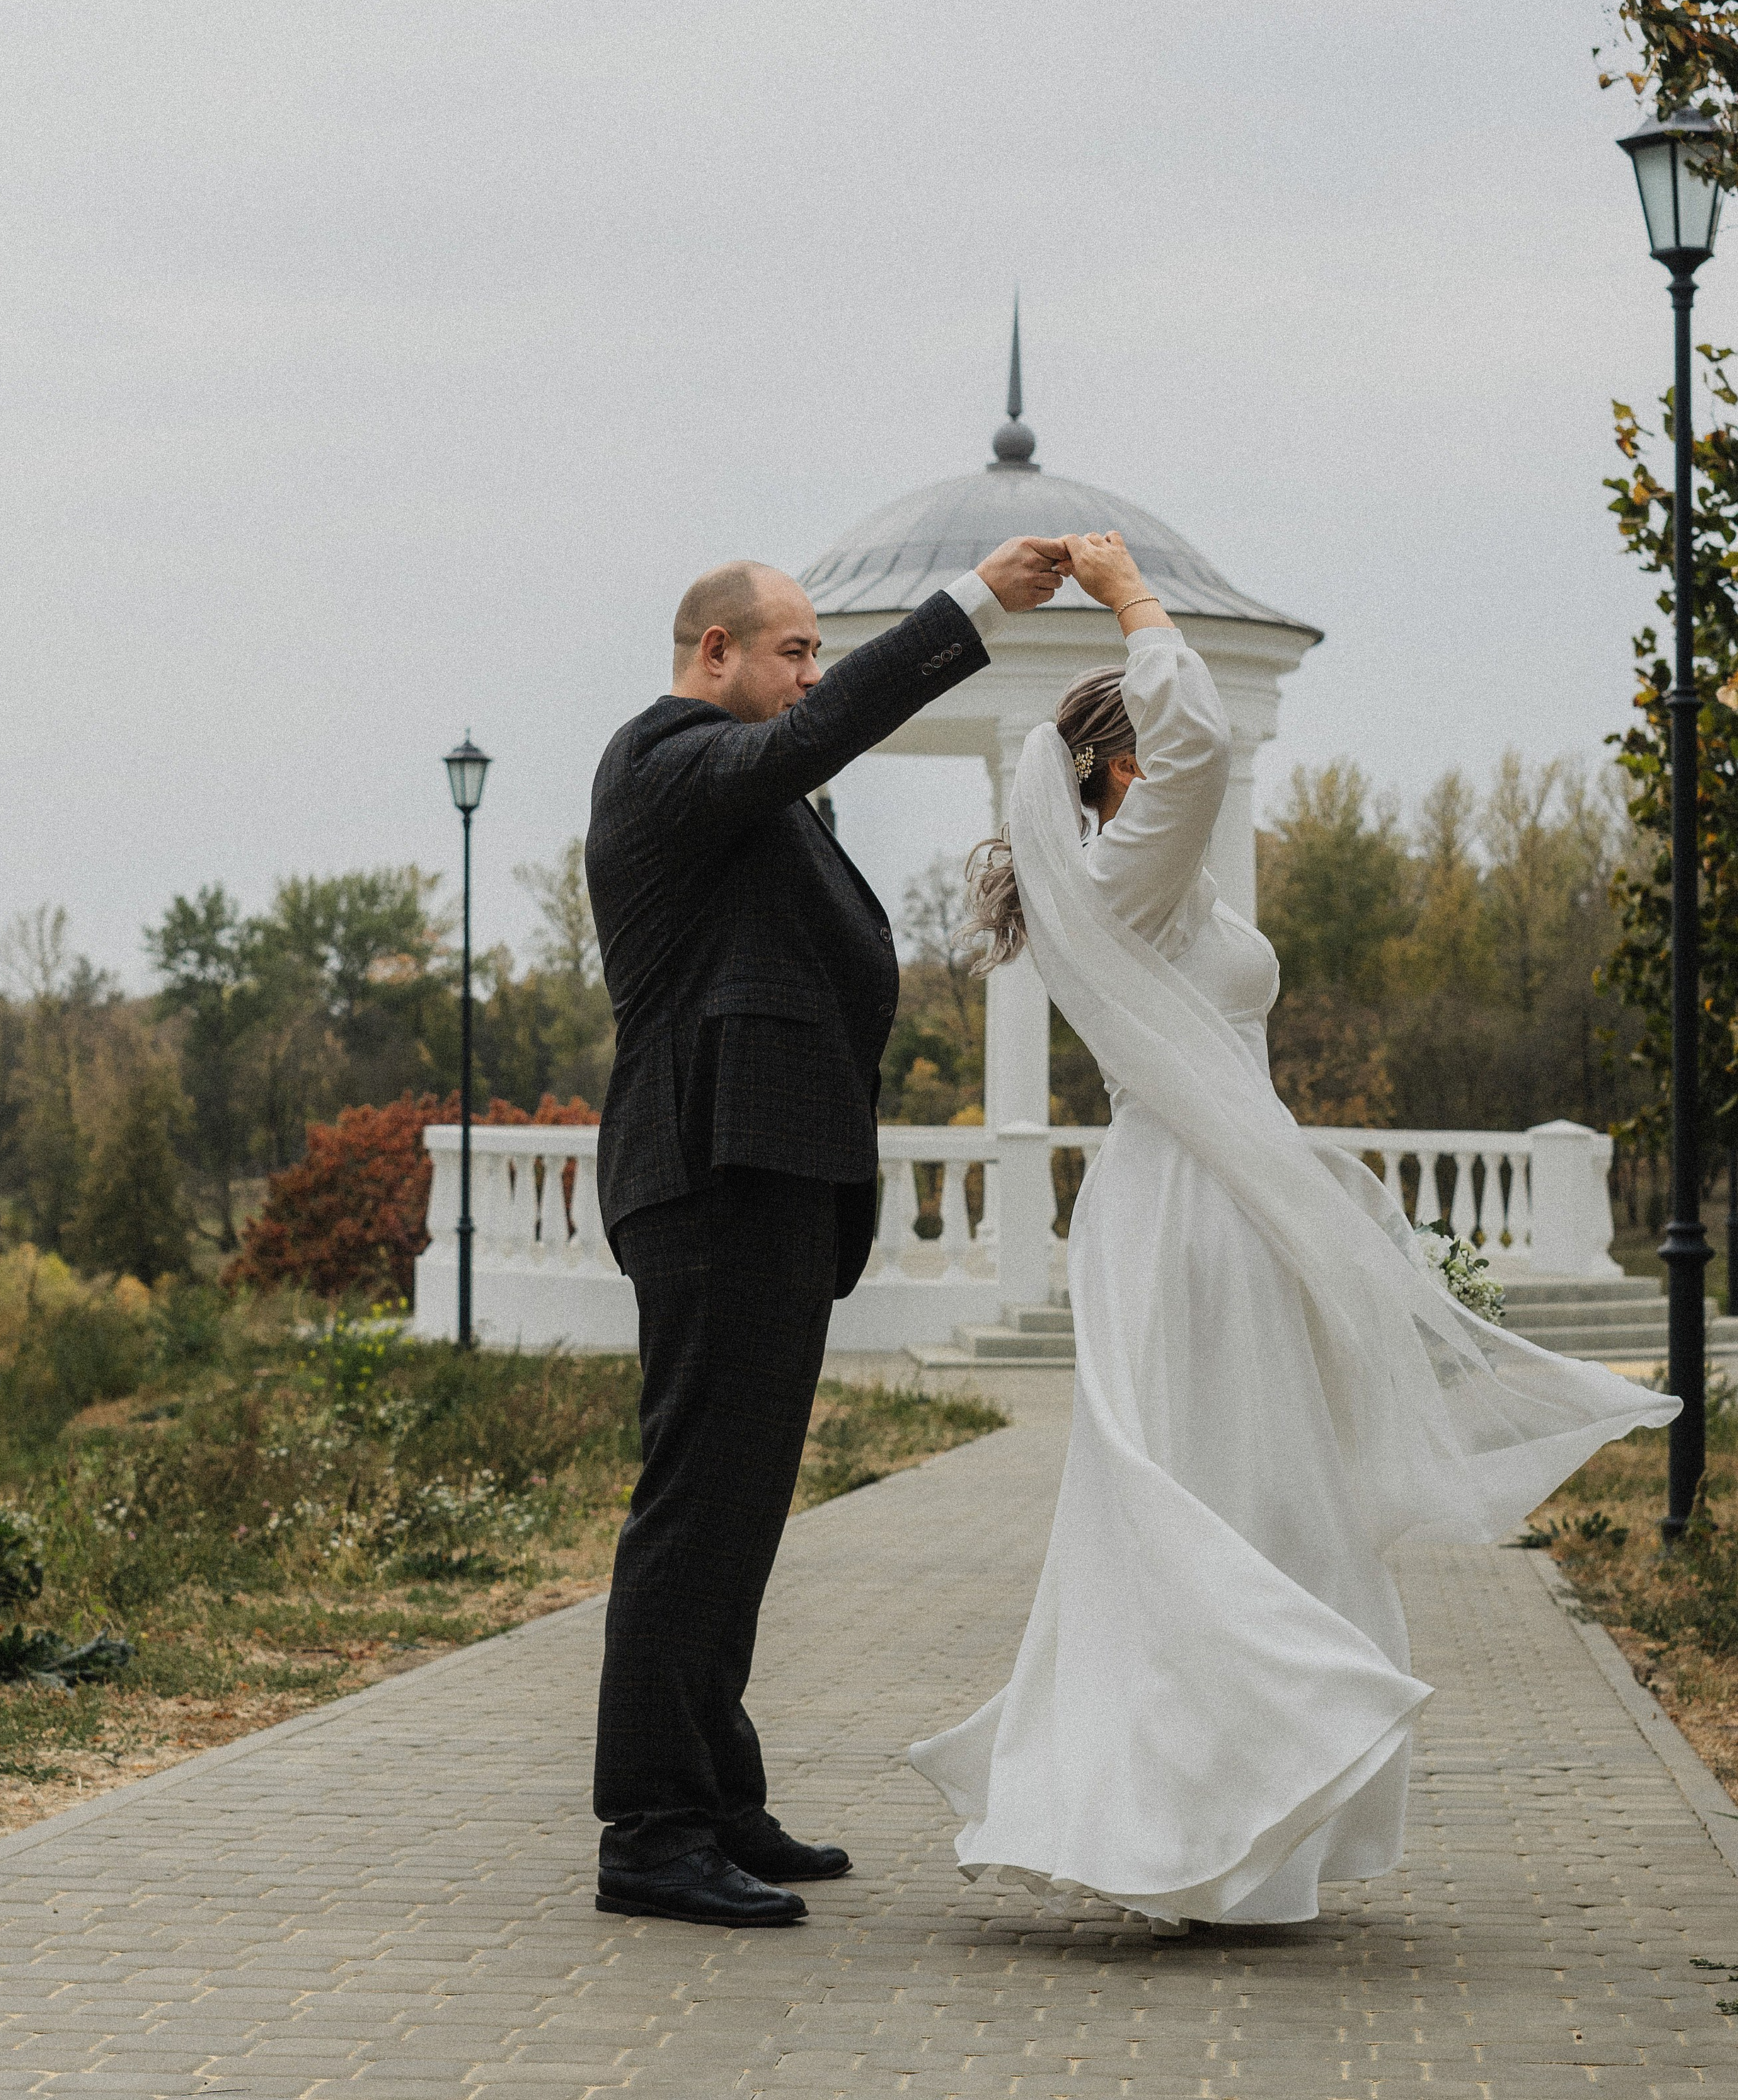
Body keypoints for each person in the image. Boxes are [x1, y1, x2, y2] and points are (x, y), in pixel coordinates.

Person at [910, 529, 1680, 1932]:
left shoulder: (1145, 882)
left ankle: (1222, 1830)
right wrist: (1132, 593)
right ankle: (1208, 1805)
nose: (1176, 752)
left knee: (1255, 1485)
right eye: (1148, 736)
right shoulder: (1130, 871)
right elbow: (1201, 734)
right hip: (1192, 1212)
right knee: (1222, 1491)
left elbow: (1188, 749)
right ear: (1116, 768)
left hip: (1208, 1202)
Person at [585, 531, 1072, 1928]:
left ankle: (716, 1791)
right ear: (712, 653)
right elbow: (812, 741)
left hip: (774, 1182)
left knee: (740, 1510)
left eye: (815, 650)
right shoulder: (663, 763)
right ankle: (651, 1829)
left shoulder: (754, 798)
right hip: (708, 1175)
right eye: (791, 650)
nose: (808, 675)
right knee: (695, 1508)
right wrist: (971, 605)